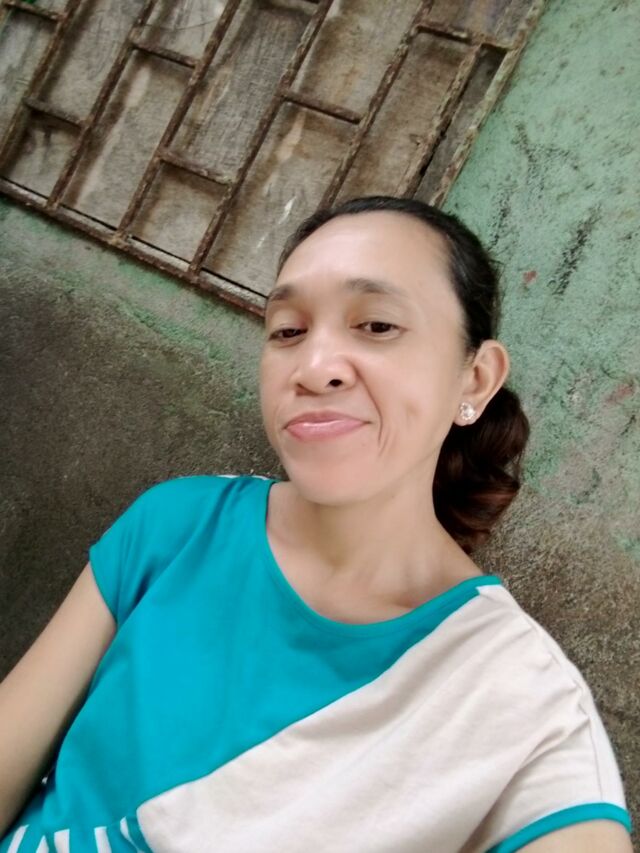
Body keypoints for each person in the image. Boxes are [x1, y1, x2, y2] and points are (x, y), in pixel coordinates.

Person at [0, 196, 632, 852]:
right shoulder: (180, 525)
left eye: (377, 324)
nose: (313, 367)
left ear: (474, 379)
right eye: (288, 330)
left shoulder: (523, 708)